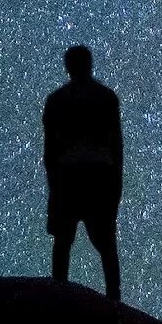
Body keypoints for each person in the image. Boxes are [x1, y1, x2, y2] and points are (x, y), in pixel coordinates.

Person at [43, 44, 122, 300]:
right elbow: (116, 146)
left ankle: (58, 294)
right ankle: (114, 298)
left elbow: (50, 151)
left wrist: (53, 187)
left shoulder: (56, 101)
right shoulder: (107, 98)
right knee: (106, 243)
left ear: (67, 67)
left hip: (68, 177)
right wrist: (116, 186)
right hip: (100, 176)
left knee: (63, 242)